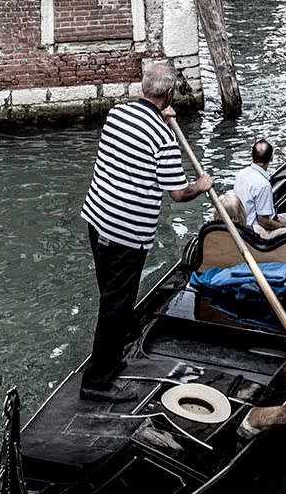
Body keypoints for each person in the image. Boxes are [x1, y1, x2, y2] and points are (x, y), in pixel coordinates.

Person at [80, 62, 213, 401]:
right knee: (114, 307)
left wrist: (163, 118)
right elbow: (177, 193)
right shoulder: (163, 137)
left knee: (113, 301)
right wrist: (201, 185)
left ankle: (125, 340)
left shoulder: (117, 115)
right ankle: (98, 381)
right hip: (127, 234)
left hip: (97, 220)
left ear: (144, 88)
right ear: (168, 93)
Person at [232, 139, 286, 233]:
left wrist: (278, 218)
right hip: (257, 233)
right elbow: (263, 222)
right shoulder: (263, 185)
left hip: (243, 227)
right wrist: (283, 227)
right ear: (271, 158)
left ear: (251, 155)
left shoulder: (241, 174)